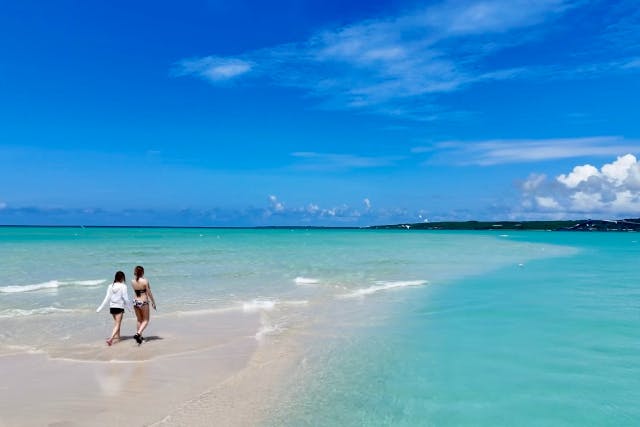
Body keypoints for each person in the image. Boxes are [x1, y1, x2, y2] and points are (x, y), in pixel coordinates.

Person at [97, 271, 133, 346]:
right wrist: (130, 308)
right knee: (117, 324)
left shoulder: (111, 286)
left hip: (112, 307)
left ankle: (118, 338)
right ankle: (111, 339)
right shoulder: (123, 286)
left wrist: (100, 307)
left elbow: (107, 298)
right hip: (119, 307)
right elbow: (125, 298)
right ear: (122, 278)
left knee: (117, 323)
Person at [131, 265, 156, 345]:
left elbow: (136, 291)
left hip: (135, 301)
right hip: (143, 302)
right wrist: (153, 302)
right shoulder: (145, 281)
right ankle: (138, 334)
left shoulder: (132, 281)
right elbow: (148, 292)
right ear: (142, 272)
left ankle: (140, 338)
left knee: (139, 320)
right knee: (146, 320)